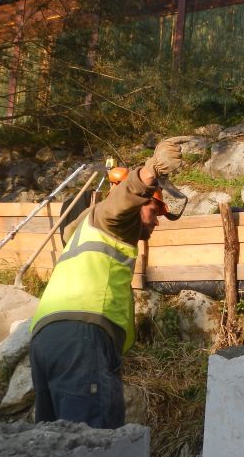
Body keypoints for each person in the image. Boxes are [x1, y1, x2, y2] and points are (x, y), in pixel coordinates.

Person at [29, 138, 183, 428]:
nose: (157, 222)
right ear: (137, 205)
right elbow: (120, 202)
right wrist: (151, 171)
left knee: (53, 445)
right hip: (82, 336)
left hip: (46, 340)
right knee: (93, 445)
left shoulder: (84, 231)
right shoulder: (111, 219)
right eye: (155, 210)